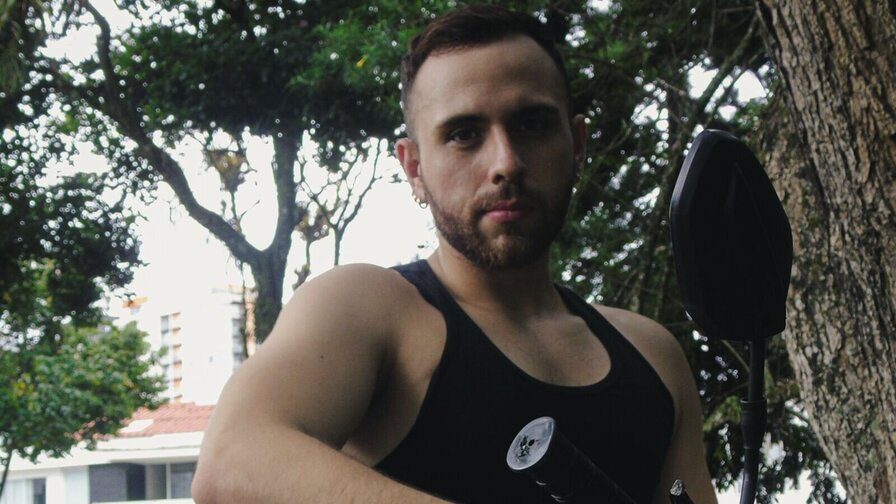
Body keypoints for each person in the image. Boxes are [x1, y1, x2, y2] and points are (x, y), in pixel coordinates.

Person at [192, 5, 717, 504]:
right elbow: (233, 463)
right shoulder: (370, 309)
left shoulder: (652, 355)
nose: (505, 162)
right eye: (464, 135)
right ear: (414, 167)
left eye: (532, 125)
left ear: (577, 144)